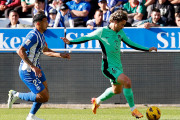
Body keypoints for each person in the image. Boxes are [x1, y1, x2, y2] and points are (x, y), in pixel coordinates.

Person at [61, 10, 157, 119]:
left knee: (117, 90)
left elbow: (131, 44)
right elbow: (86, 37)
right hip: (108, 67)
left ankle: (97, 101)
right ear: (115, 21)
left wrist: (147, 49)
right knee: (127, 81)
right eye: (122, 25)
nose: (123, 27)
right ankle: (133, 110)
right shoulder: (102, 32)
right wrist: (70, 42)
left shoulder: (120, 32)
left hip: (118, 66)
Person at [7, 10, 70, 120]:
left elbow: (45, 50)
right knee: (43, 97)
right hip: (27, 70)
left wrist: (60, 55)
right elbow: (20, 51)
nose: (47, 23)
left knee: (45, 94)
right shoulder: (33, 35)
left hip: (36, 68)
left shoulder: (41, 35)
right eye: (45, 21)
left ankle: (31, 116)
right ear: (38, 23)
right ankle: (15, 94)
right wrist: (32, 66)